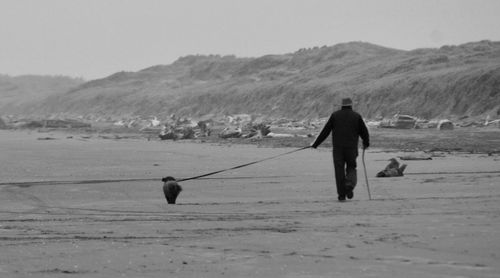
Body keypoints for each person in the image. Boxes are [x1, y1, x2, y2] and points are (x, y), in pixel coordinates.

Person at [311, 97, 370, 201]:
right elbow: (364, 132)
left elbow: (325, 131)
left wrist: (316, 144)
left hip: (338, 149)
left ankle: (341, 195)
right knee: (351, 167)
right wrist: (366, 143)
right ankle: (349, 185)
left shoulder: (335, 116)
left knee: (339, 171)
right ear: (351, 105)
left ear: (341, 105)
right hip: (351, 148)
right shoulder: (356, 116)